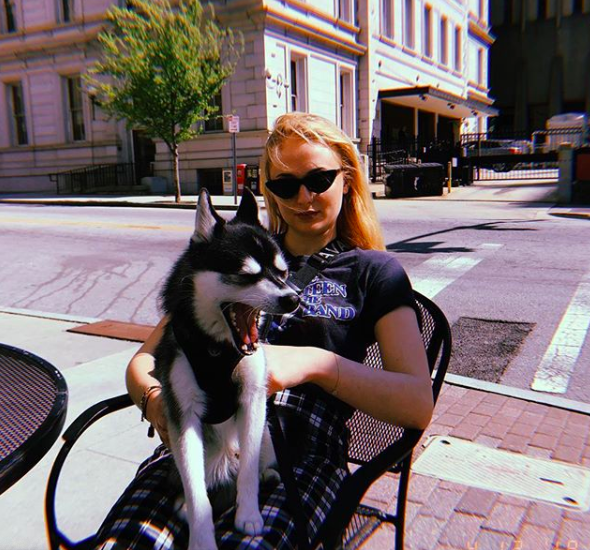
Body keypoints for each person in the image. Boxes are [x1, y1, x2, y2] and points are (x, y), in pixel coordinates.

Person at [94, 112, 433, 550]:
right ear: (269, 191)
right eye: (286, 185)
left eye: (319, 178)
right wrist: (158, 403)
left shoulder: (374, 271)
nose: (304, 196)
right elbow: (144, 360)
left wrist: (317, 366)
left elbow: (416, 403)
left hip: (301, 455)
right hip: (201, 446)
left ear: (347, 180)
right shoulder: (236, 251)